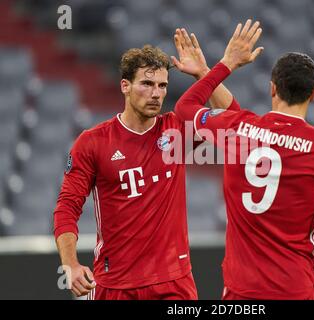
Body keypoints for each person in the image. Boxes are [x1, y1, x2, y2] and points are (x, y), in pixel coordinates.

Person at [175, 19, 314, 300]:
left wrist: (220, 68)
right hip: (298, 289)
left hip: (242, 294)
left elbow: (186, 107)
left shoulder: (239, 130)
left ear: (272, 88)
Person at [53, 28, 240, 300]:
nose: (156, 94)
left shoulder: (176, 131)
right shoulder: (93, 142)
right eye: (147, 84)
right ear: (125, 86)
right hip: (115, 283)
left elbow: (233, 123)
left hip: (173, 282)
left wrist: (204, 73)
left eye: (162, 86)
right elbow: (67, 206)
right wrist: (69, 263)